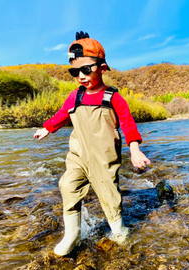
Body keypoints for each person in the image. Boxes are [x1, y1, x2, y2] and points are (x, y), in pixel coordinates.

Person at [34, 31, 151, 256]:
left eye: (86, 69)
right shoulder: (75, 96)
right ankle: (72, 234)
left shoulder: (113, 97)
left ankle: (118, 230)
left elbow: (128, 126)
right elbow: (61, 115)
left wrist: (135, 150)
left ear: (103, 68)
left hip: (104, 158)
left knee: (109, 195)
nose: (81, 76)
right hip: (78, 155)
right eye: (74, 71)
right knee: (68, 186)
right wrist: (47, 128)